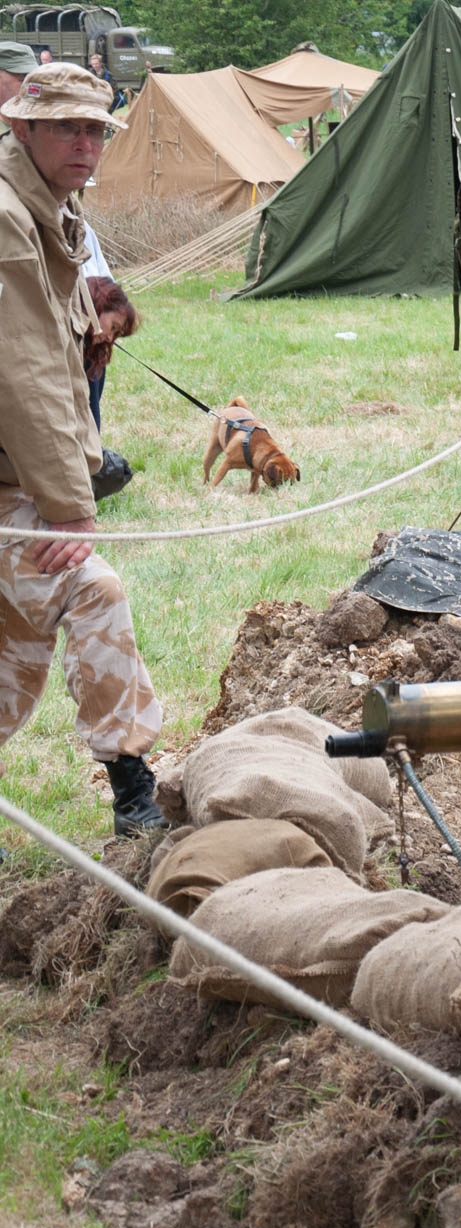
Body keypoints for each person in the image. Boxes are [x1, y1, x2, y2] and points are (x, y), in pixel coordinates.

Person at [0, 64, 166, 837]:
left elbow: (61, 366)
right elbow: (25, 371)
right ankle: (134, 793)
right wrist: (71, 507)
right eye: (66, 126)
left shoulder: (51, 209)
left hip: (17, 479)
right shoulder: (7, 217)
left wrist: (84, 469)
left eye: (96, 129)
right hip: (13, 488)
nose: (85, 144)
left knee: (11, 663)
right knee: (93, 588)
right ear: (21, 127)